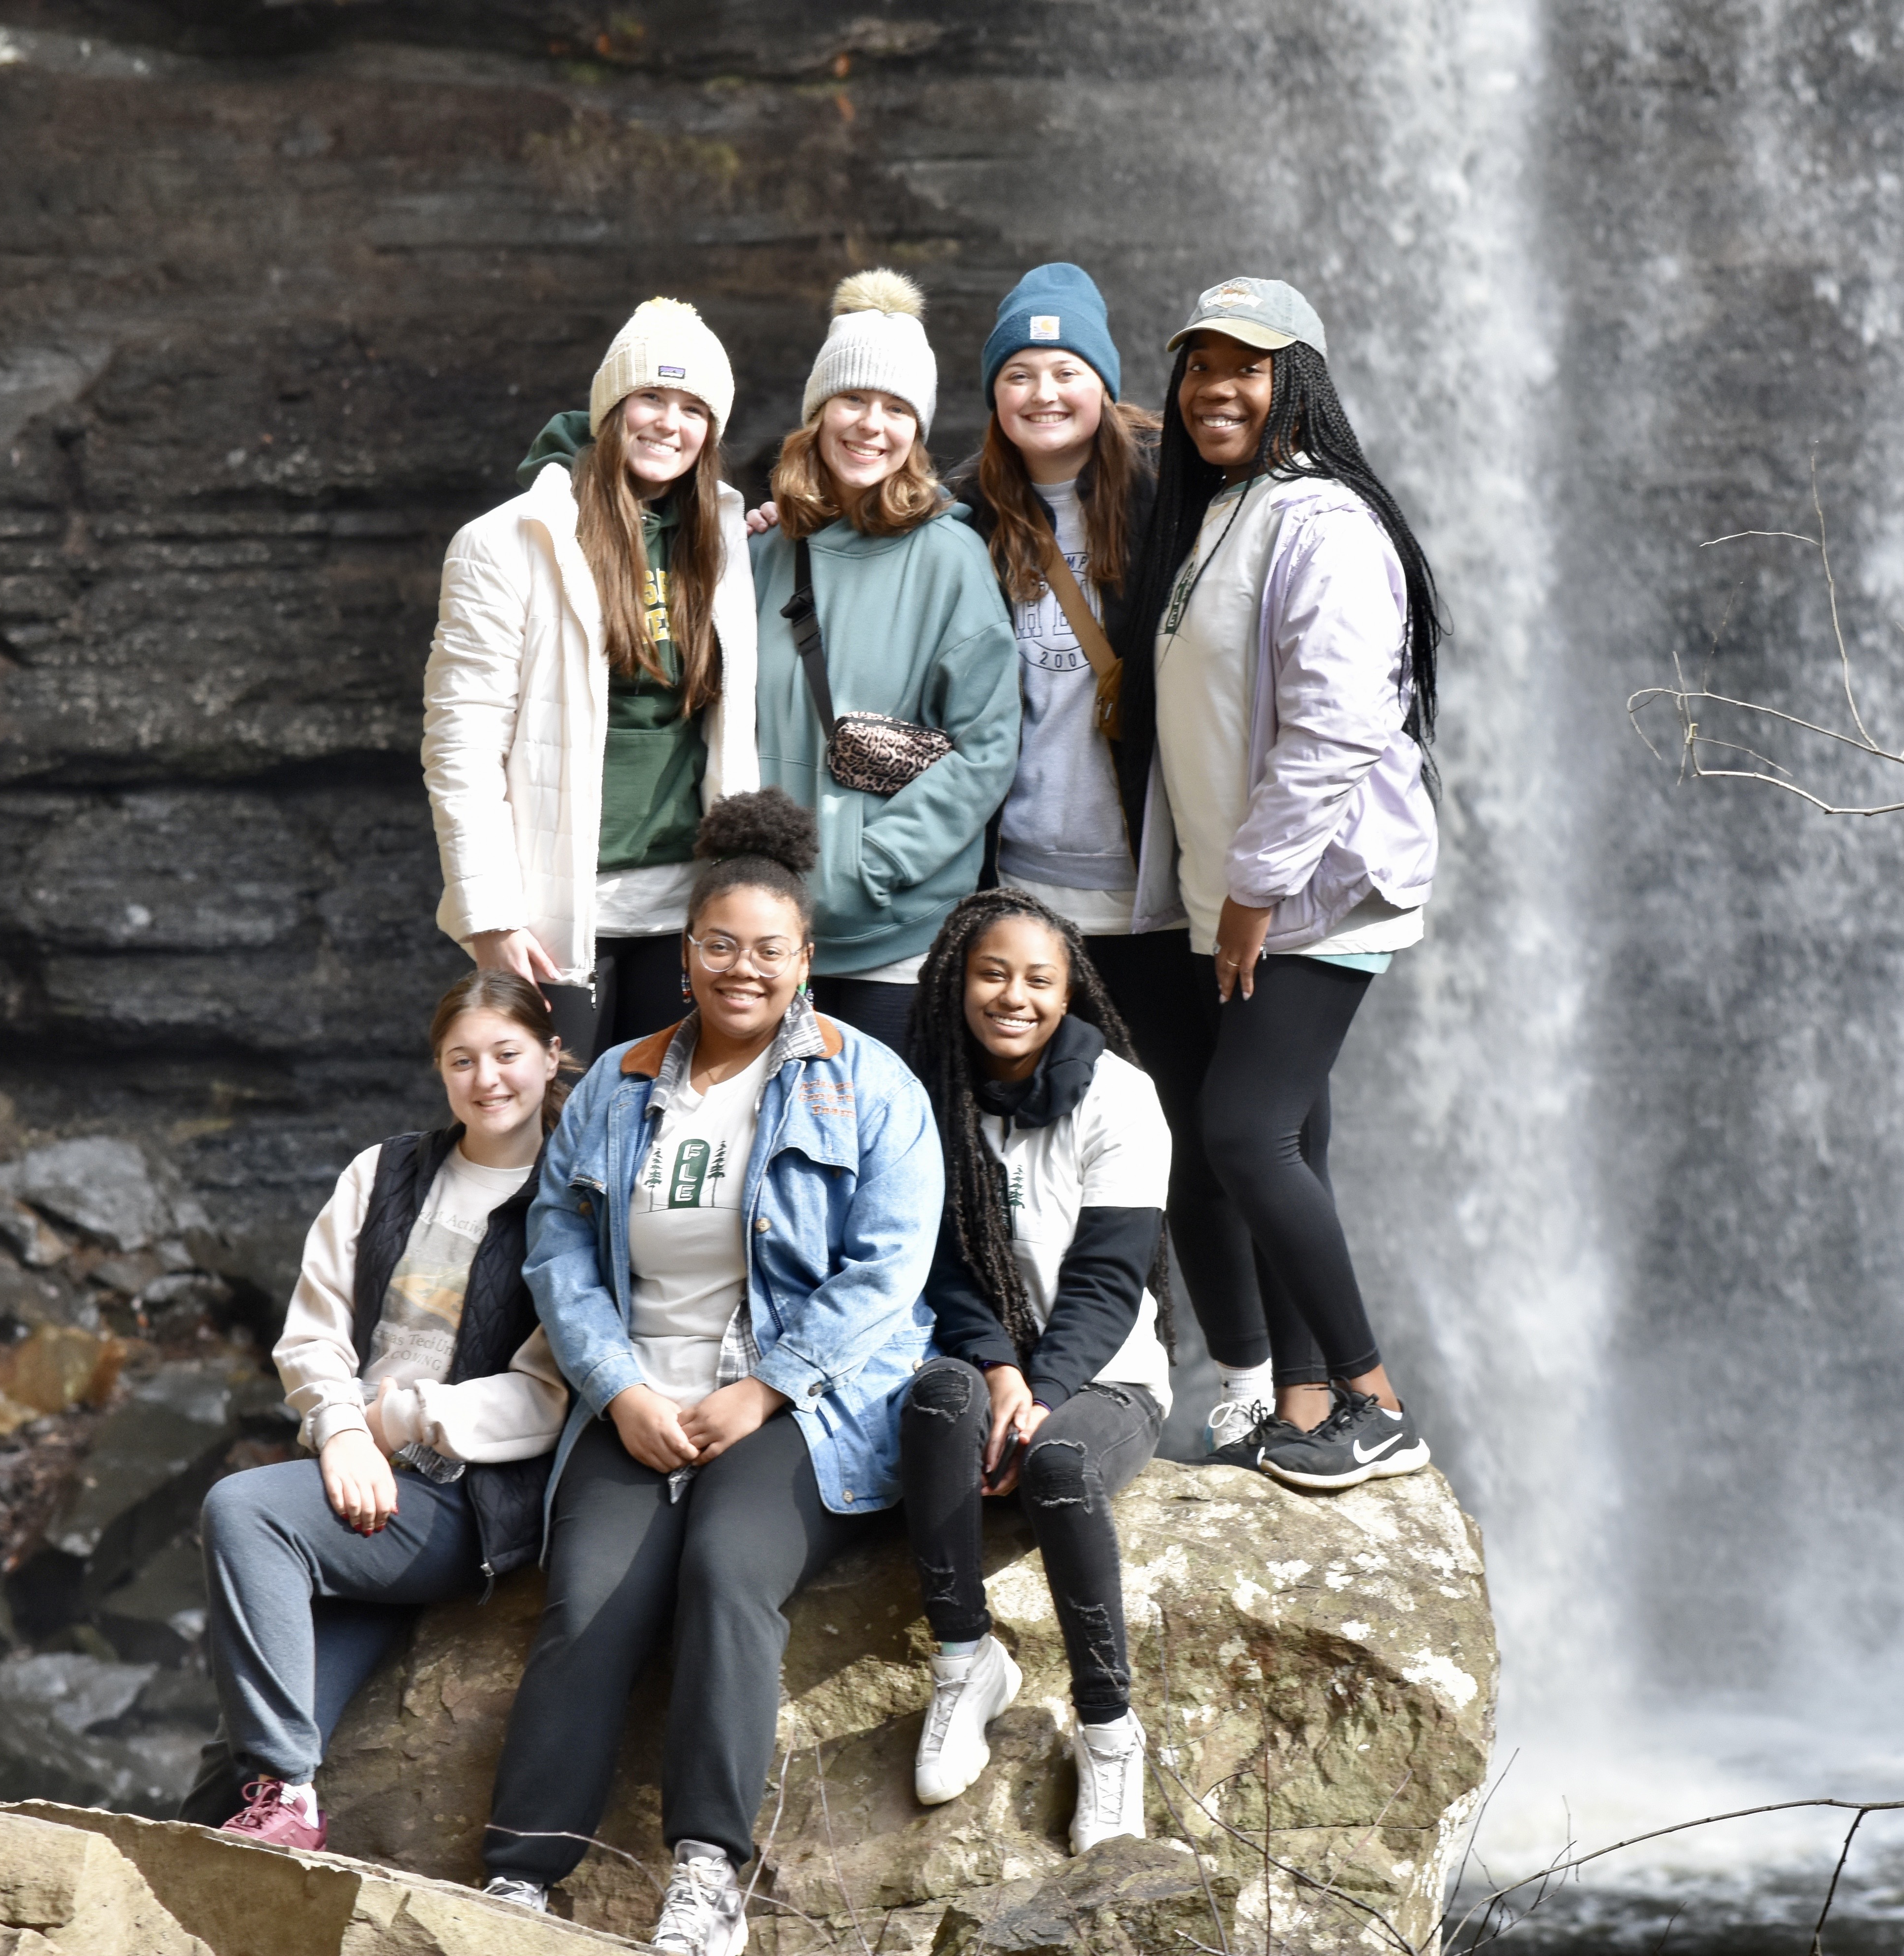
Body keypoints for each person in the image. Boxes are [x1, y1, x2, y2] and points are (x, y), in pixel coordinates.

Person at [477, 788, 941, 1956]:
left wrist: (767, 1386)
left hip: (800, 1402)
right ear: (685, 956)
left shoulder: (872, 1083)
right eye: (720, 946)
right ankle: (519, 1877)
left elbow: (888, 1272)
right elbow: (559, 1251)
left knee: (732, 1571)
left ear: (806, 960)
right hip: (636, 1392)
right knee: (590, 1597)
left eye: (768, 950)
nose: (743, 968)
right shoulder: (619, 1084)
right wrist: (621, 1389)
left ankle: (705, 1873)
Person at [1116, 277, 1445, 1490]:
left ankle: (1373, 1396)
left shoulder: (1325, 522)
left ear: (1295, 381)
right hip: (1241, 893)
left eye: (1247, 368)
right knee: (1291, 1128)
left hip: (1316, 891)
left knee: (1243, 1131)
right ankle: (1304, 1402)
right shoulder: (1224, 511)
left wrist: (1250, 890)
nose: (1217, 388)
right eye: (1200, 366)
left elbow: (1336, 727)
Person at [189, 970, 572, 1849]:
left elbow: (547, 1395)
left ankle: (289, 1794)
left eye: (508, 1055)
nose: (488, 1079)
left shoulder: (572, 1197)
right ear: (439, 1069)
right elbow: (313, 1333)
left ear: (550, 1057)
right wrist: (342, 1429)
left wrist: (400, 1424)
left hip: (461, 1502)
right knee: (230, 1762)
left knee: (243, 1510)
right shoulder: (385, 1172)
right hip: (355, 1490)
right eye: (462, 1060)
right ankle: (255, 1813)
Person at [896, 889, 1171, 1853]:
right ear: (958, 981)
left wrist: (1043, 1390)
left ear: (1069, 992)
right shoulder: (932, 1089)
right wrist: (1000, 1370)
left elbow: (1107, 1281)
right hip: (986, 1357)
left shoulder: (1120, 1096)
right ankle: (965, 1659)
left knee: (1060, 1465)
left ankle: (1108, 1733)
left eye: (1037, 979)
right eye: (992, 972)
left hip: (1108, 1375)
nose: (1012, 995)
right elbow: (944, 1262)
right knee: (935, 1399)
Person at [426, 298, 761, 1063]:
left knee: (662, 1145)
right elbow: (460, 746)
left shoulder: (727, 543)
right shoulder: (507, 542)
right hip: (554, 917)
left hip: (687, 912)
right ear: (611, 406)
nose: (668, 424)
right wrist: (489, 917)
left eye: (692, 408)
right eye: (650, 397)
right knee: (547, 1138)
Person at [748, 268, 1019, 1055]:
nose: (872, 425)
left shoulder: (950, 557)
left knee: (879, 1163)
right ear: (817, 412)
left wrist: (870, 863)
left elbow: (988, 745)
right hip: (758, 938)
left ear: (918, 431)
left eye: (897, 408)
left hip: (892, 939)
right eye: (854, 400)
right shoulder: (762, 552)